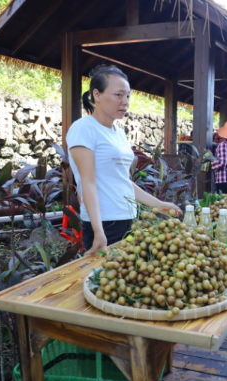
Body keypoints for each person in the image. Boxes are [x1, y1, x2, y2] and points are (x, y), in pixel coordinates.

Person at [67, 65, 181, 255]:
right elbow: (87, 182)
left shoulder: (118, 132)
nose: (125, 102)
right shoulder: (84, 129)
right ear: (97, 95)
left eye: (127, 96)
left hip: (127, 218)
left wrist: (160, 205)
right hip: (104, 223)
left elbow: (122, 182)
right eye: (119, 95)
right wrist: (98, 231)